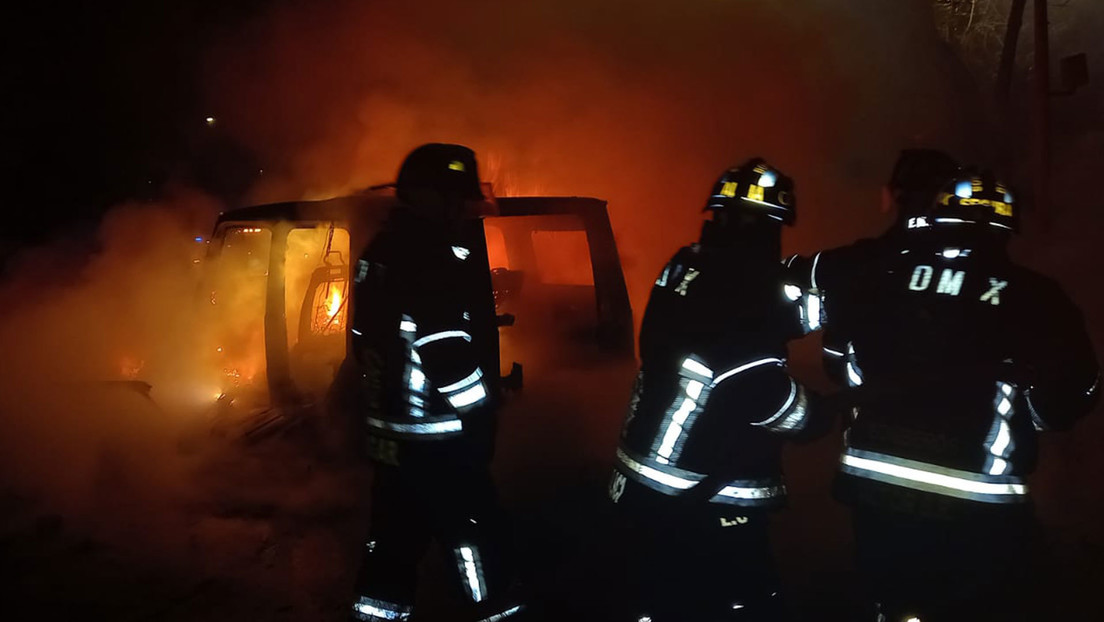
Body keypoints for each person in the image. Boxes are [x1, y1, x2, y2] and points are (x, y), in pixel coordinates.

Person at [821, 169, 1101, 620]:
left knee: (887, 596)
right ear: (1005, 229)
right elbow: (1070, 394)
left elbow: (838, 360)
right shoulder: (1035, 297)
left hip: (872, 481)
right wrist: (1032, 412)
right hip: (976, 496)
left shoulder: (882, 277)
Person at [606, 159, 826, 621]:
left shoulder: (686, 263)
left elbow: (738, 329)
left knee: (651, 594)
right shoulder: (751, 283)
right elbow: (756, 388)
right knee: (742, 599)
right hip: (706, 482)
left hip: (642, 465)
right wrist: (811, 415)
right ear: (771, 226)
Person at [347, 143, 524, 621]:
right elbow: (446, 354)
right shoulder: (429, 256)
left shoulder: (378, 252)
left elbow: (365, 342)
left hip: (391, 439)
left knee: (392, 548)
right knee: (475, 540)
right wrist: (486, 405)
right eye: (455, 200)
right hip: (438, 445)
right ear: (432, 197)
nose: (460, 212)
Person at [784, 148, 960, 378]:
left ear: (890, 196)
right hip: (967, 408)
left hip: (876, 406)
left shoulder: (856, 261)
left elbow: (786, 278)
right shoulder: (990, 273)